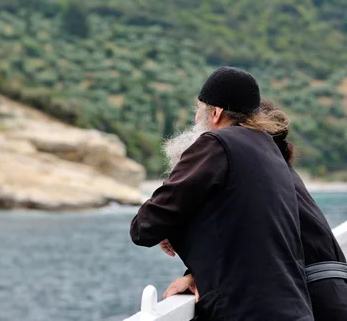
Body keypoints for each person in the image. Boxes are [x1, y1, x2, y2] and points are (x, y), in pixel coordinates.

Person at [162, 99, 347, 321]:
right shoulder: (279, 175)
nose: (197, 119)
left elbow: (250, 244)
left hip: (321, 304)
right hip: (336, 302)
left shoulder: (256, 181)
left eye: (200, 111)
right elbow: (250, 243)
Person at [130, 67, 314, 321]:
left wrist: (172, 227)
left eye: (198, 109)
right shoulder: (271, 151)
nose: (196, 119)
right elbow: (245, 228)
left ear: (215, 112)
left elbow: (144, 226)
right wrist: (193, 273)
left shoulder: (217, 143)